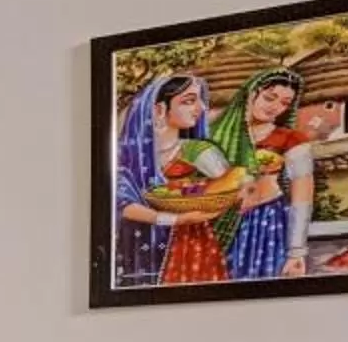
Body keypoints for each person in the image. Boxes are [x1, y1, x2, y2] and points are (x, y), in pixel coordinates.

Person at [115, 74, 226, 287]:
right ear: (159, 109)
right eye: (189, 101)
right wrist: (175, 219)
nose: (201, 108)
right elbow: (121, 204)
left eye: (201, 100)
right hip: (138, 248)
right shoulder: (129, 156)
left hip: (189, 242)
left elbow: (230, 188)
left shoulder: (200, 152)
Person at [207, 67, 314, 279]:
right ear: (251, 94)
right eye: (269, 98)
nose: (275, 107)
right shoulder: (217, 133)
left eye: (284, 103)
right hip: (216, 222)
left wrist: (296, 252)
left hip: (266, 223)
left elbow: (302, 197)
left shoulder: (291, 139)